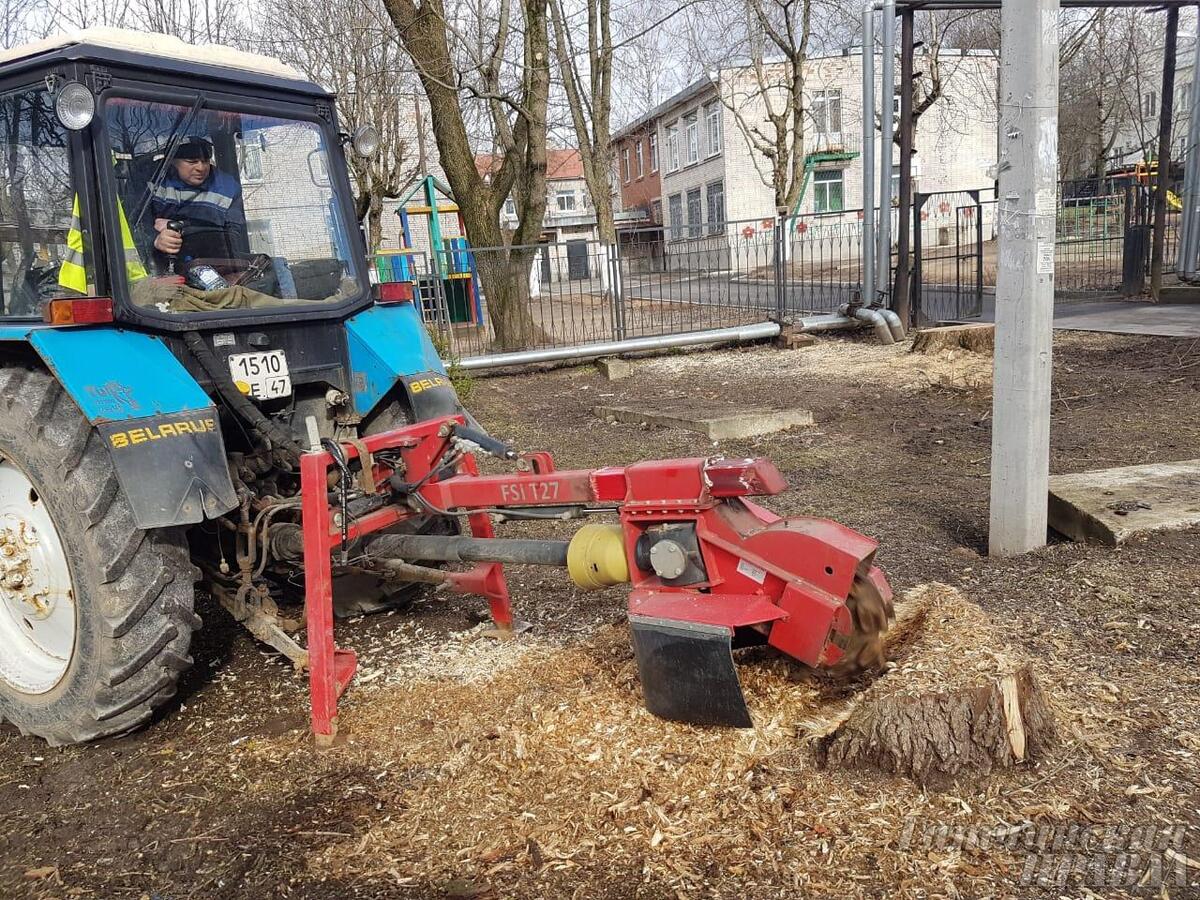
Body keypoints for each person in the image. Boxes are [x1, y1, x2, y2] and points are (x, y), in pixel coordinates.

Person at [149, 137, 249, 268]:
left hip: (215, 264)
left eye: (205, 161)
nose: (201, 168)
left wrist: (182, 227)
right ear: (172, 161)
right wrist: (154, 239)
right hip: (158, 268)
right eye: (192, 162)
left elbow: (232, 236)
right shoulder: (151, 180)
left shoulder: (228, 188)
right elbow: (134, 227)